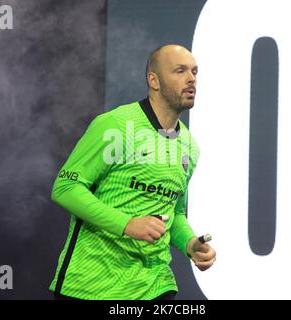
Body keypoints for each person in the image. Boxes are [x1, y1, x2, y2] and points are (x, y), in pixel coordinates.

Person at [49, 44, 216, 300]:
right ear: (154, 80)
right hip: (90, 287)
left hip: (154, 286)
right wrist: (127, 225)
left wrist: (190, 244)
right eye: (180, 71)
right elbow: (65, 188)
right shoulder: (114, 125)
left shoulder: (190, 147)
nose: (192, 78)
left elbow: (174, 213)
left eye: (195, 71)